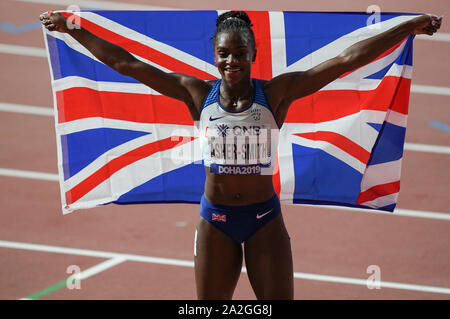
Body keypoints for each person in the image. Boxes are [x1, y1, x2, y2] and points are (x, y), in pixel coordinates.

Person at [40, 10, 442, 300]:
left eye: (239, 53)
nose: (231, 61)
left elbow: (345, 60)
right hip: (215, 223)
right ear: (214, 54)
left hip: (264, 221)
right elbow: (125, 63)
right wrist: (71, 27)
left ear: (253, 53)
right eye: (224, 54)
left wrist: (409, 25)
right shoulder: (197, 94)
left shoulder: (277, 93)